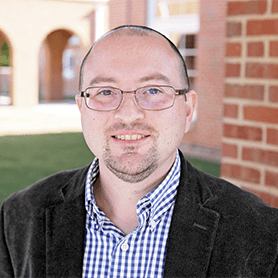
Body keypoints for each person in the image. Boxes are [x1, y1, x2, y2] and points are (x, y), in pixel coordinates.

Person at [1, 25, 278, 278]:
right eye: (106, 91)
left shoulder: (263, 234)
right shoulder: (19, 218)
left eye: (154, 90)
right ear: (82, 108)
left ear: (188, 110)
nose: (129, 114)